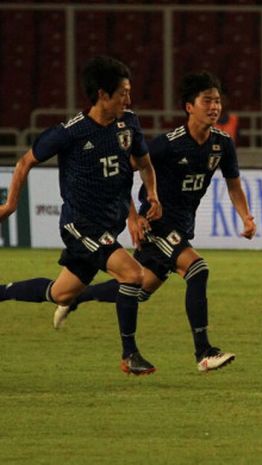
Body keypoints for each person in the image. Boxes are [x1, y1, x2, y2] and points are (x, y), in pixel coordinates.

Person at [53, 71, 257, 373]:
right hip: (156, 223)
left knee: (140, 289)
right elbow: (126, 173)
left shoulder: (221, 144)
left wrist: (246, 216)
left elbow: (234, 184)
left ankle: (77, 297)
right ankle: (204, 352)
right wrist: (133, 216)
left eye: (217, 101)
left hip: (181, 225)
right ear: (189, 106)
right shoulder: (168, 145)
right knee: (197, 269)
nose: (214, 107)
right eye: (207, 101)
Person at [0, 55, 161, 375]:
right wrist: (11, 205)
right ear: (102, 95)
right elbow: (24, 162)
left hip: (108, 225)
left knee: (61, 292)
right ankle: (130, 355)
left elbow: (143, 164)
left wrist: (152, 195)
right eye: (123, 93)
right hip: (80, 225)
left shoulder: (128, 123)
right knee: (133, 274)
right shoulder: (70, 133)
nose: (128, 99)